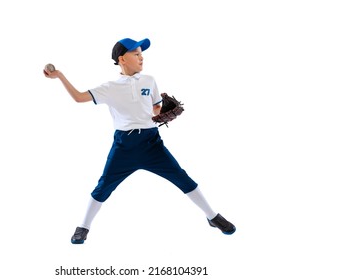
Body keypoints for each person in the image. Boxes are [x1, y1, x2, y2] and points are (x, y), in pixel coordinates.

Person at [43, 38, 236, 244]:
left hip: (152, 143)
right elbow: (79, 97)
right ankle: (83, 226)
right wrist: (60, 76)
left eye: (142, 53)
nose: (141, 57)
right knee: (104, 186)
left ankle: (212, 216)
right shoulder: (110, 87)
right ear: (122, 59)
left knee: (182, 178)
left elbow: (155, 109)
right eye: (136, 54)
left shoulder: (149, 80)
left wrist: (162, 112)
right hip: (124, 146)